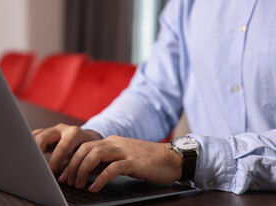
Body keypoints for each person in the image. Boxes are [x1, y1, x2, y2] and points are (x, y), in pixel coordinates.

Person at [33, 0, 276, 194]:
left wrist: (182, 159)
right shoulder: (186, 4)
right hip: (209, 199)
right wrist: (95, 137)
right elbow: (153, 94)